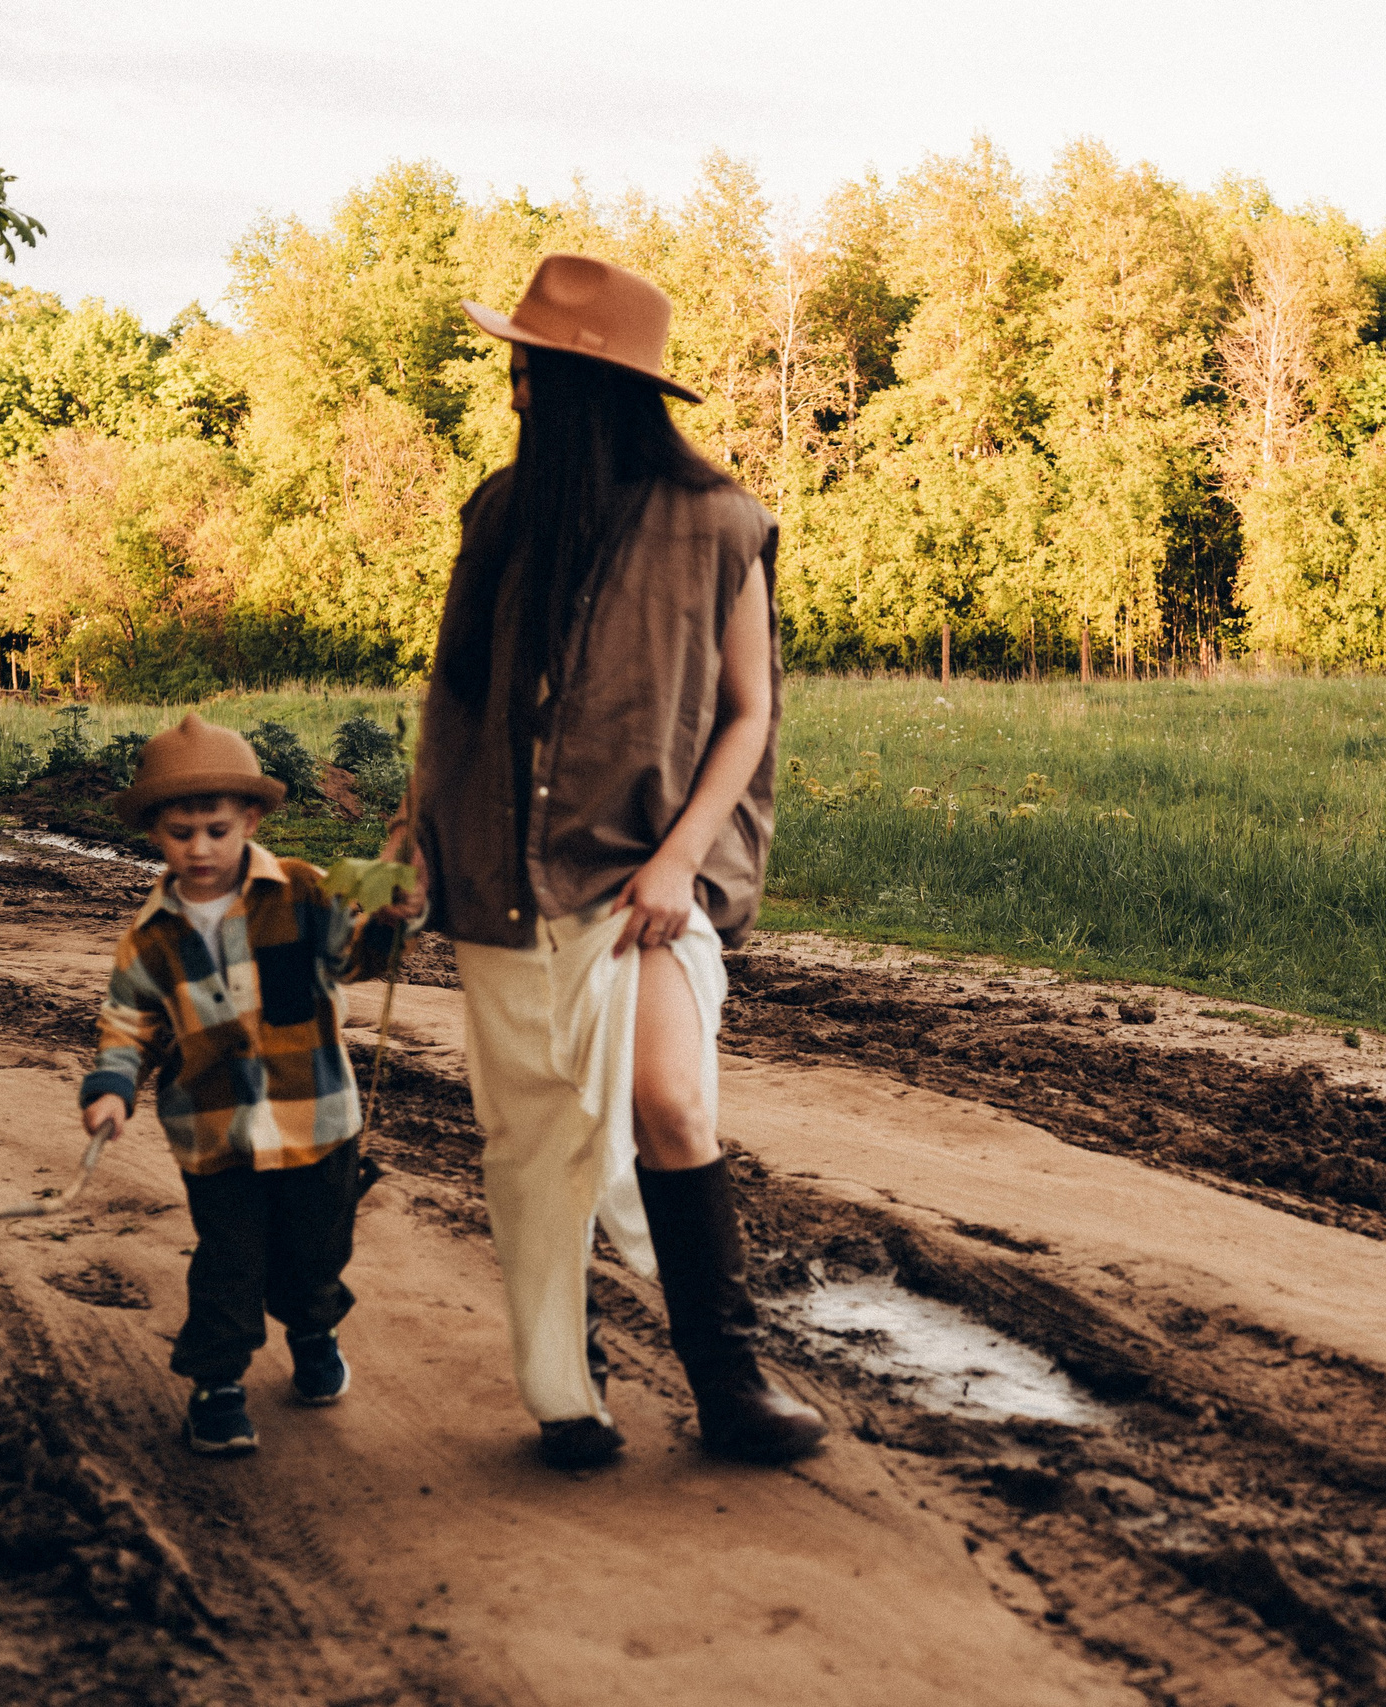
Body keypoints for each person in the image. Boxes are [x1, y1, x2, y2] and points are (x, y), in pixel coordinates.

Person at [391, 252, 827, 1472]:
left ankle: (729, 1382)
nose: (514, 387)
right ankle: (567, 1384)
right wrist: (412, 835)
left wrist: (681, 860)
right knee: (535, 1140)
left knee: (670, 1102)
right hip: (500, 869)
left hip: (643, 876)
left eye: (530, 367)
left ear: (591, 386)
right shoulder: (500, 514)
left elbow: (748, 711)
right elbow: (457, 697)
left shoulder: (719, 522)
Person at [79, 713, 413, 1455]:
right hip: (216, 1134)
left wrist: (391, 920)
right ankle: (217, 1384)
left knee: (314, 1258)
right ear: (154, 832)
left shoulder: (303, 891)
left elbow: (357, 958)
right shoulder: (150, 938)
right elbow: (128, 1022)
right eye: (180, 833)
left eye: (216, 830)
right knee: (230, 1264)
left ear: (251, 821)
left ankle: (314, 1330)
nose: (199, 848)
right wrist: (110, 1088)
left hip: (318, 1124)